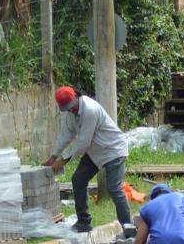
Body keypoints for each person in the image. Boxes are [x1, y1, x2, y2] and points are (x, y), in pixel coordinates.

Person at [45, 86, 131, 233]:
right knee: (78, 179)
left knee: (114, 189)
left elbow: (84, 142)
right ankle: (84, 222)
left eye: (71, 108)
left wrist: (64, 160)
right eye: (67, 110)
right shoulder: (72, 113)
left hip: (113, 150)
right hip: (96, 151)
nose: (70, 111)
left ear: (76, 98)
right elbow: (66, 135)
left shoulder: (90, 110)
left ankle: (129, 227)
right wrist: (53, 157)